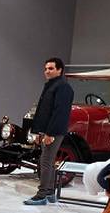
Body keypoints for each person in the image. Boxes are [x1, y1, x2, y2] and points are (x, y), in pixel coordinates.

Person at [24, 57, 75, 205]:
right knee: (48, 161)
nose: (47, 71)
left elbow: (60, 112)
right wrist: (40, 131)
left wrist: (50, 133)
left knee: (45, 161)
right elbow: (45, 111)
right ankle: (50, 193)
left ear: (60, 70)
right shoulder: (52, 85)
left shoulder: (63, 87)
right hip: (48, 130)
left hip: (54, 131)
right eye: (46, 68)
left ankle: (42, 195)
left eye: (51, 68)